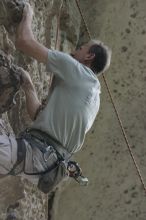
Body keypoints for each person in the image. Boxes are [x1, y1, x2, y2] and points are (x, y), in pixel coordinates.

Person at [0, 3, 111, 192]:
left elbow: (24, 41)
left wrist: (29, 13)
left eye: (82, 48)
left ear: (89, 56)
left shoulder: (78, 71)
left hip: (32, 153)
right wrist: (28, 86)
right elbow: (38, 116)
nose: (76, 50)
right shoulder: (93, 99)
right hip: (40, 163)